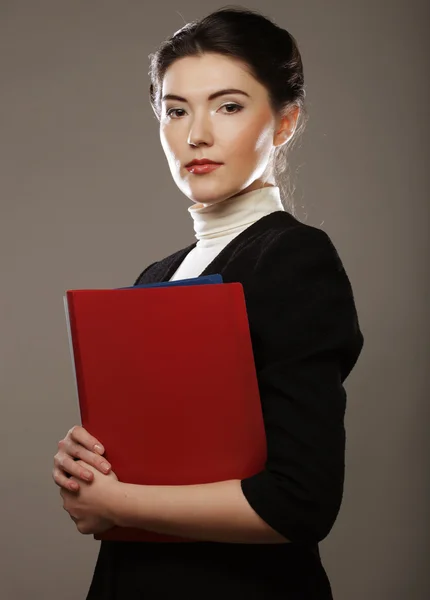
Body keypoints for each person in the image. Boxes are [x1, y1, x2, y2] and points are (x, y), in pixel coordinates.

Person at [53, 7, 364, 599]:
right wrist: (90, 463)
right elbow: (170, 450)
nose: (196, 134)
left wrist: (115, 503)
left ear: (285, 123)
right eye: (175, 110)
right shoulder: (158, 275)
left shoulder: (293, 258)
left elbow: (300, 502)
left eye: (228, 105)